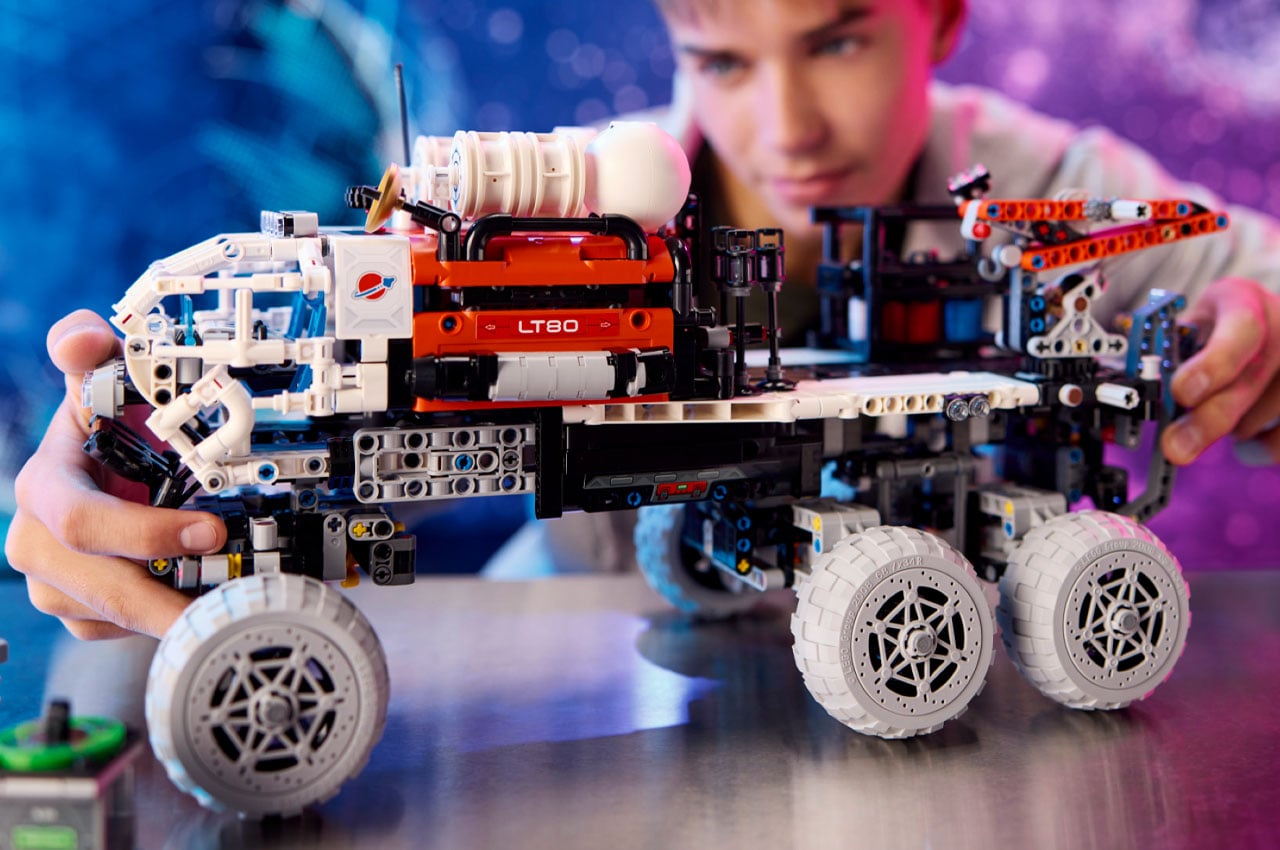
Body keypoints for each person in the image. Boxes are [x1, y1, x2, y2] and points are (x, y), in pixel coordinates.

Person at [8, 0, 1280, 636]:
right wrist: (129, 453)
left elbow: (1255, 287)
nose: (787, 128)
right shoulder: (577, 221)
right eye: (722, 59)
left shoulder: (1039, 194)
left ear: (938, 19)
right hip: (598, 647)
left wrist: (1258, 336)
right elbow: (364, 419)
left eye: (837, 40)